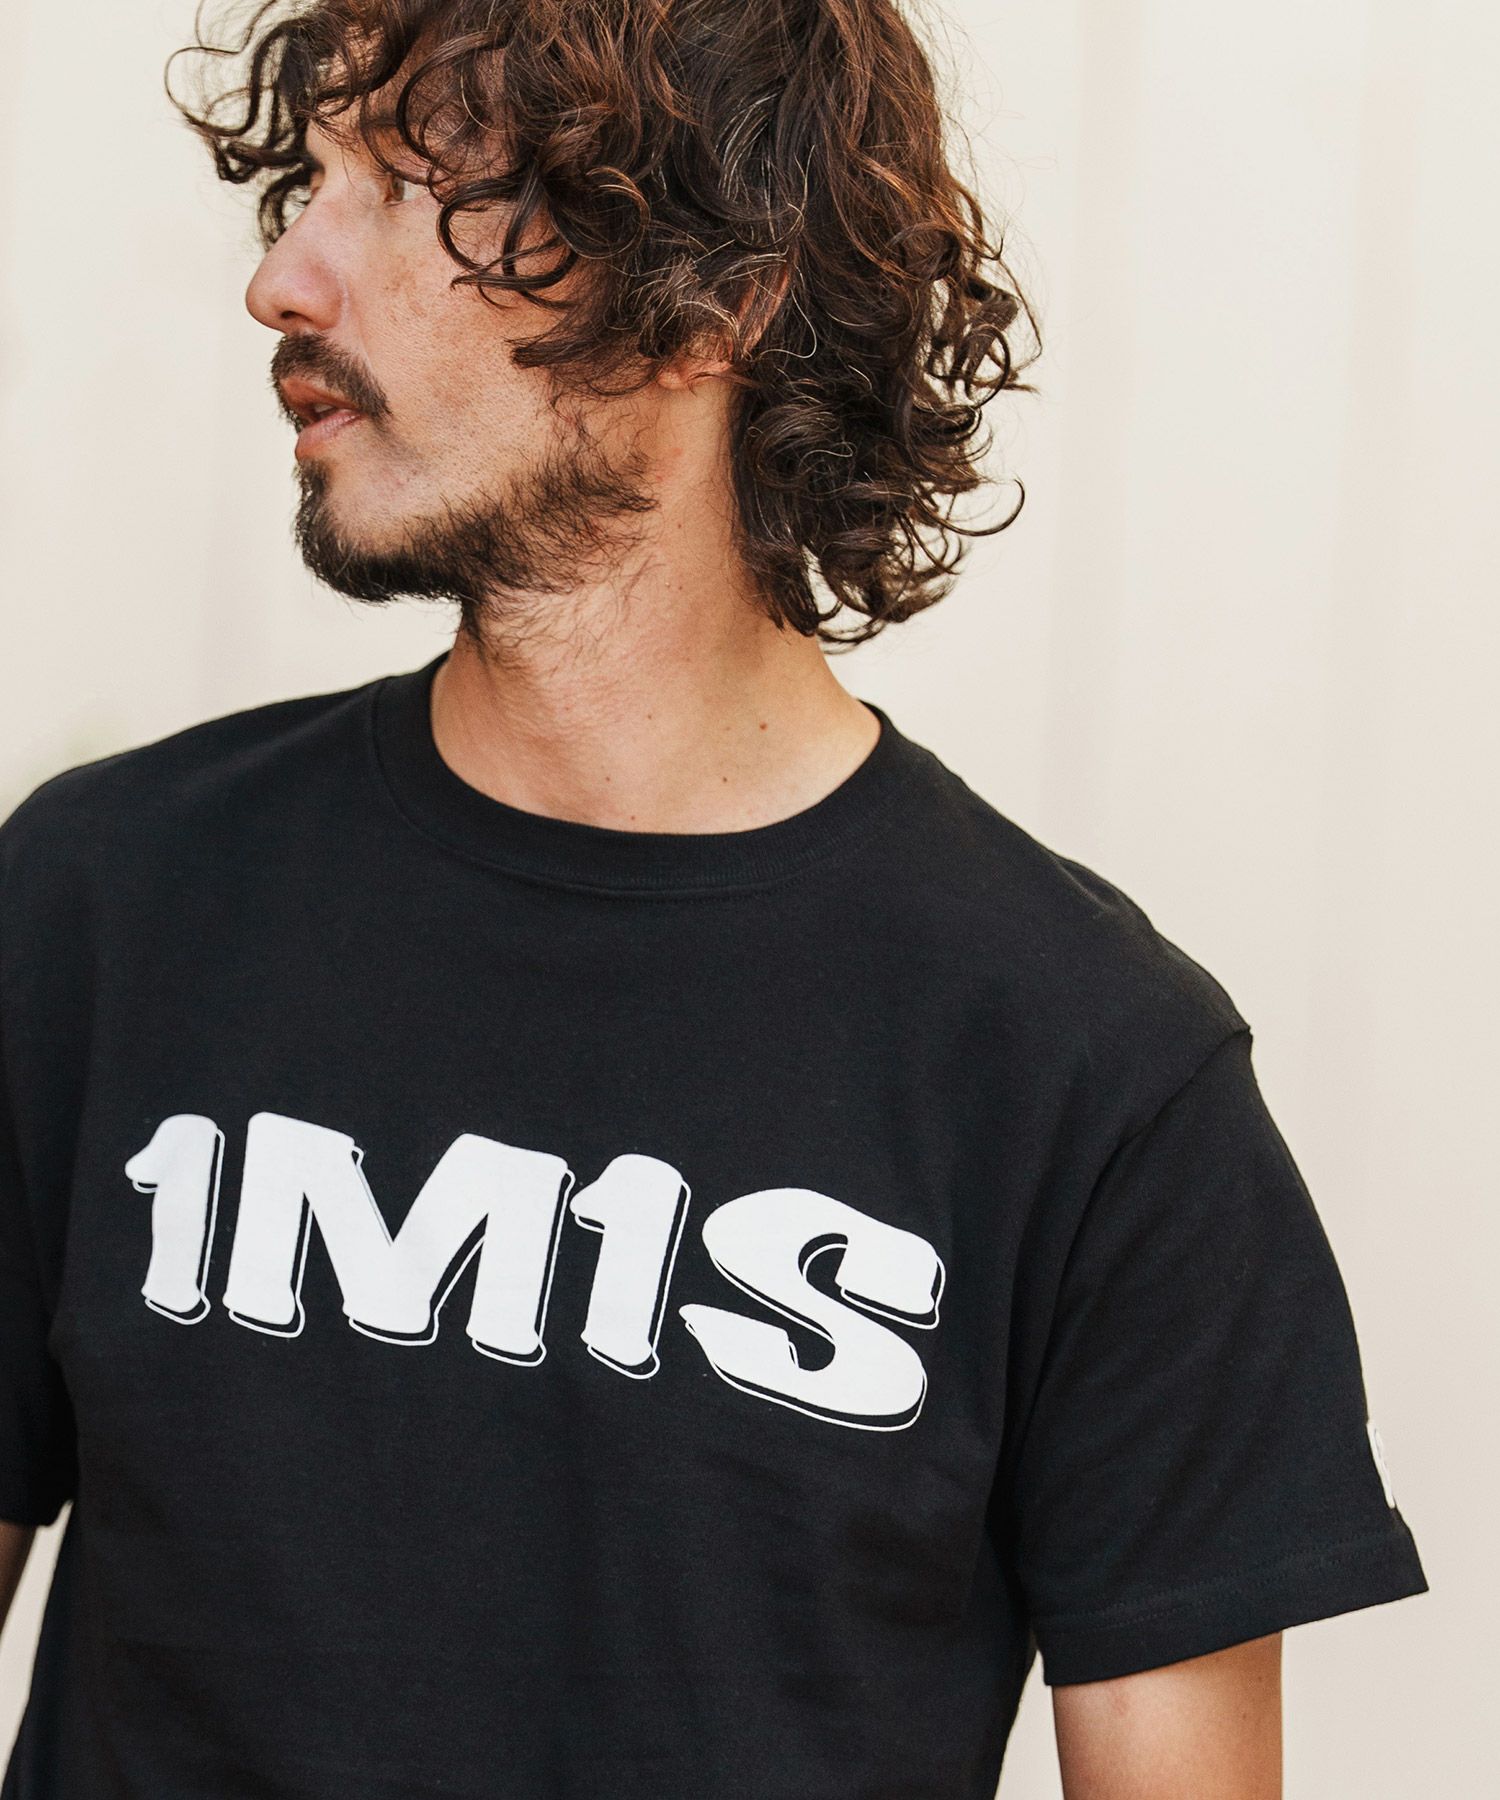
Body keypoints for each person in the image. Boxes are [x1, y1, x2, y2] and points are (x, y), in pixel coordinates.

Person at [0, 1, 1427, 1795]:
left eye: (407, 188)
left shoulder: (1094, 1077)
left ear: (713, 301)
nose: (282, 279)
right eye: (312, 183)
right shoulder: (100, 906)